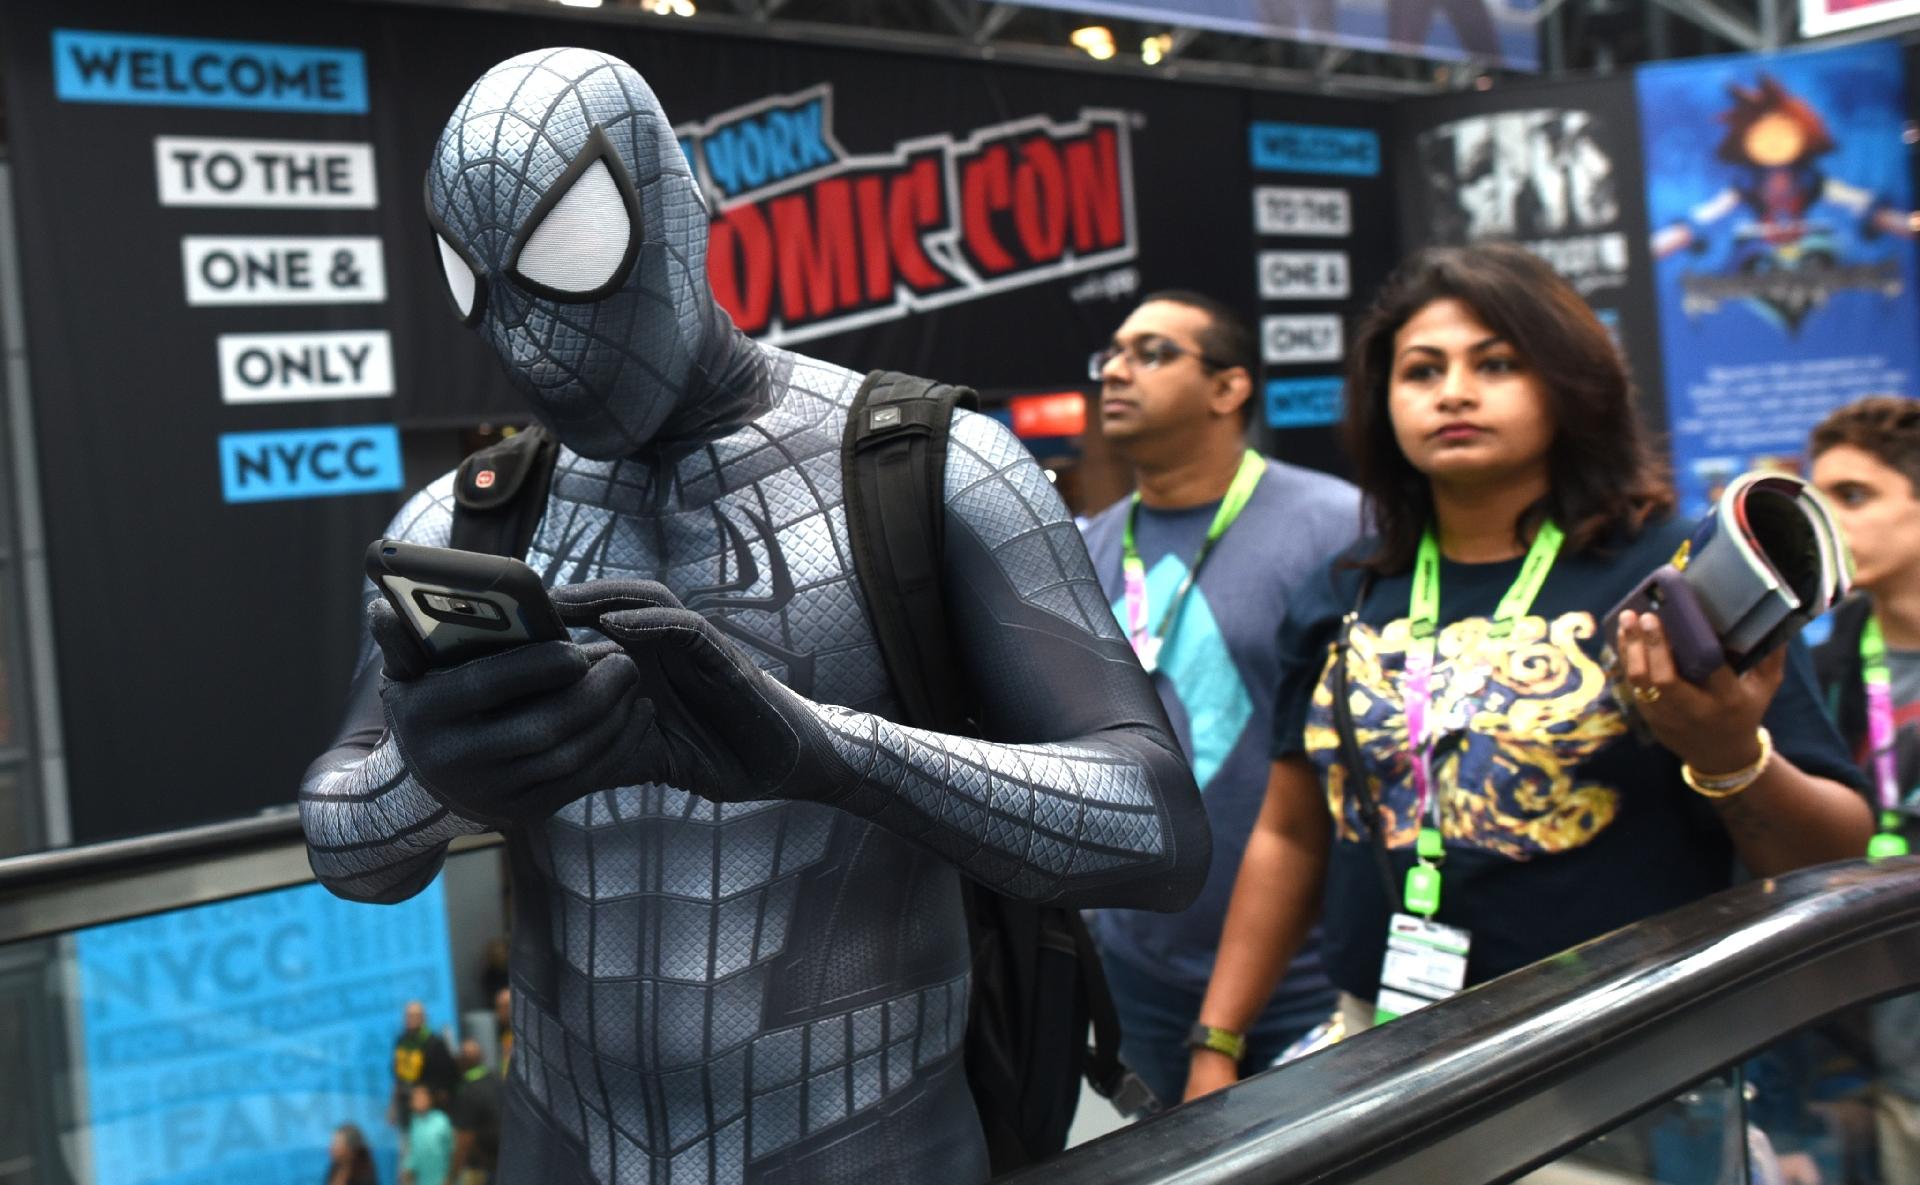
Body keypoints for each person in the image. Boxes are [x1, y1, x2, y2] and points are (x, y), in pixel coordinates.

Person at [299, 47, 1208, 1185]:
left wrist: (826, 753)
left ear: (682, 215)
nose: (531, 341)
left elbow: (1159, 831)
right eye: (484, 285)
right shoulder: (468, 521)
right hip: (560, 1146)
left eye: (573, 255)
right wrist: (425, 773)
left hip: (879, 1145)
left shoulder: (928, 469)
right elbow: (344, 841)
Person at [1187, 243, 1871, 1102]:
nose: (1454, 392)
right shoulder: (1348, 588)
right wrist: (1219, 1037)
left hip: (1619, 1059)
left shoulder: (1676, 570)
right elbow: (1292, 832)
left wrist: (1729, 751)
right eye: (1421, 370)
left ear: (1568, 383)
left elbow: (1836, 851)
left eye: (1497, 363)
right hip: (1380, 1052)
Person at [1080, 291, 1359, 1107]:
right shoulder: (1089, 543)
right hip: (1138, 968)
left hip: (1311, 971)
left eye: (1154, 352)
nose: (1118, 372)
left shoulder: (1338, 525)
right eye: (1112, 355)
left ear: (1230, 387)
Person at [1807, 395, 1920, 1183]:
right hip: (1880, 1051)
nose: (1827, 522)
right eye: (1818, 500)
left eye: (1853, 496)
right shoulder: (1829, 670)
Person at [391, 1001, 457, 1130]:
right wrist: (393, 1106)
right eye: (408, 1015)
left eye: (415, 1015)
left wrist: (429, 1095)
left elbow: (448, 1078)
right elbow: (398, 1077)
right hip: (406, 1105)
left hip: (431, 1108)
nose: (411, 1019)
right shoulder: (401, 1041)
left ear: (424, 1018)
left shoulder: (435, 1043)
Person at [450, 1039, 502, 1185]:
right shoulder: (496, 1079)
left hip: (482, 1168)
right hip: (506, 1160)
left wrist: (452, 1175)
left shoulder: (468, 1091)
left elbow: (464, 1139)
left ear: (461, 1061)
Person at [402, 1084, 455, 1185]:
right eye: (416, 1097)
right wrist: (408, 1170)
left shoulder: (441, 1119)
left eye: (422, 1096)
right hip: (421, 1179)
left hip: (441, 1179)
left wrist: (449, 1177)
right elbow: (413, 1151)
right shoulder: (414, 1121)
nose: (419, 1100)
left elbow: (452, 1149)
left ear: (430, 1099)